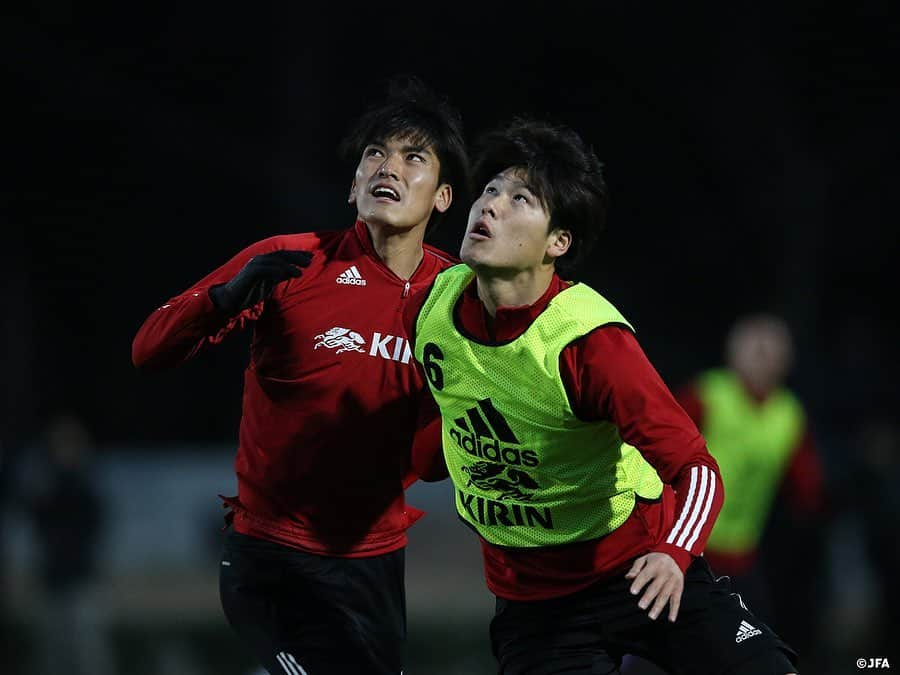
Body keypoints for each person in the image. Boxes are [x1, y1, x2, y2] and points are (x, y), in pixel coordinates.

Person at [406, 118, 799, 674]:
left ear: (557, 242)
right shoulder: (428, 306)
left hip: (638, 566)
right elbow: (429, 421)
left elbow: (696, 468)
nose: (489, 205)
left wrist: (673, 553)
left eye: (520, 198)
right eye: (490, 190)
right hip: (533, 604)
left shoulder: (590, 344)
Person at [132, 77, 469, 675]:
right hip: (271, 558)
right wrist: (222, 300)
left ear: (442, 198)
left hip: (371, 564)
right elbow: (148, 349)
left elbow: (434, 464)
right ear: (353, 185)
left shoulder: (456, 299)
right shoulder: (292, 261)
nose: (386, 166)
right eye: (374, 154)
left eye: (412, 157)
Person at [675, 315, 827, 656]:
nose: (763, 357)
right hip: (685, 548)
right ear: (733, 352)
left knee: (750, 651)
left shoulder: (788, 414)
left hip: (742, 557)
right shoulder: (707, 395)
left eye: (772, 350)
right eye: (755, 348)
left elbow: (808, 492)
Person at [24, 411, 113, 675]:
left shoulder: (86, 485)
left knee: (86, 650)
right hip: (52, 577)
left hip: (81, 577)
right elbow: (37, 522)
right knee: (52, 650)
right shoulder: (45, 485)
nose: (65, 452)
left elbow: (94, 527)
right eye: (59, 445)